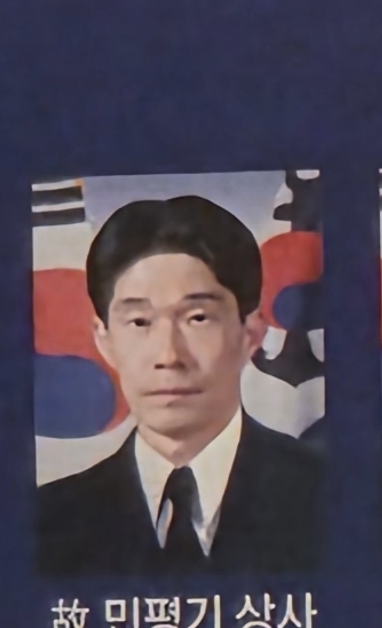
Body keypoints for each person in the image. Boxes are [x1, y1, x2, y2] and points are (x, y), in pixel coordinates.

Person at [33, 195, 323, 576]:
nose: (169, 355)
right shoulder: (43, 523)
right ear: (104, 340)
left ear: (251, 334)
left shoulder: (334, 498)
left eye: (197, 318)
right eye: (140, 322)